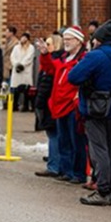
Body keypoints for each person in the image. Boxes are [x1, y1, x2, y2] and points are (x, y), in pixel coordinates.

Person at [68, 20, 111, 206]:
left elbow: (74, 77)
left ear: (101, 39)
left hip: (96, 110)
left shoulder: (95, 57)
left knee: (99, 151)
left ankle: (103, 190)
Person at [38, 25, 88, 185]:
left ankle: (78, 173)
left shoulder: (83, 59)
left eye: (69, 39)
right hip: (59, 105)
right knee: (63, 141)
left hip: (72, 106)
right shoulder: (63, 59)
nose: (66, 42)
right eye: (65, 39)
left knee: (76, 142)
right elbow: (50, 68)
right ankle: (66, 171)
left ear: (78, 41)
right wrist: (45, 54)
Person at [34, 34, 63, 177]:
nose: (46, 46)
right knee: (53, 135)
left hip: (52, 103)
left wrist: (45, 54)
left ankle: (54, 166)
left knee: (54, 136)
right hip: (47, 103)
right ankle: (55, 163)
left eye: (49, 44)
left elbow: (50, 68)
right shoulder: (49, 62)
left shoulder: (57, 60)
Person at [10, 31, 35, 111]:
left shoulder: (31, 48)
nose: (22, 39)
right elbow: (12, 57)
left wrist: (22, 65)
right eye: (22, 37)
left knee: (26, 90)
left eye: (24, 38)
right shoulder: (16, 47)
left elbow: (29, 58)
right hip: (17, 71)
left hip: (25, 71)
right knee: (15, 89)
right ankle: (14, 106)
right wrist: (17, 65)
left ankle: (26, 106)